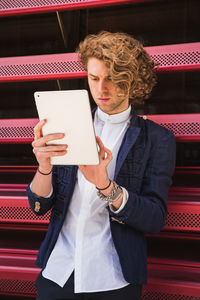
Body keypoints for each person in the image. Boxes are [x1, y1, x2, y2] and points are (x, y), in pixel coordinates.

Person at [27, 31, 176, 300]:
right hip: (58, 274)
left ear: (133, 82)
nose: (101, 89)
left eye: (112, 79)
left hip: (114, 279)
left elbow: (154, 218)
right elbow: (38, 206)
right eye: (94, 78)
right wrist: (44, 166)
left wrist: (106, 186)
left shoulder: (157, 139)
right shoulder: (67, 124)